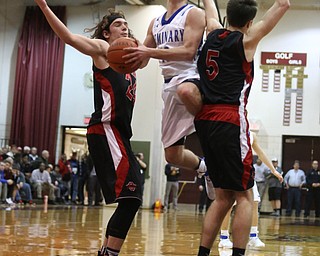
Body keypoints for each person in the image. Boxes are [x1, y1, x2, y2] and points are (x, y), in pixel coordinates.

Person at [34, 1, 143, 255]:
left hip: (119, 133)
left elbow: (149, 45)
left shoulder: (130, 57)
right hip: (105, 128)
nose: (124, 27)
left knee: (130, 197)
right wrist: (43, 5)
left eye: (127, 24)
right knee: (132, 197)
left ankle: (106, 250)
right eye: (118, 24)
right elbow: (69, 37)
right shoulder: (104, 49)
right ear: (106, 33)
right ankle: (108, 253)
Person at [194, 0, 290, 255]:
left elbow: (210, 12)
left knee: (223, 196)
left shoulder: (212, 32)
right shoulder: (246, 42)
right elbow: (283, 4)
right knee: (245, 197)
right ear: (249, 23)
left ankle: (203, 252)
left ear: (228, 16)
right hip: (230, 119)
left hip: (204, 119)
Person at [123, 0, 213, 199]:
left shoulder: (194, 13)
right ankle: (204, 167)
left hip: (193, 77)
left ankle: (212, 127)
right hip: (168, 85)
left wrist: (149, 51)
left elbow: (189, 51)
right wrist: (125, 54)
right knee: (172, 155)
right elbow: (142, 61)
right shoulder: (155, 22)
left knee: (186, 92)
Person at [218, 132, 283, 249]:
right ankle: (224, 237)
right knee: (229, 205)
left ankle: (253, 237)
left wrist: (273, 170)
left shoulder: (251, 135)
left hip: (247, 173)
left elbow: (261, 153)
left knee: (254, 203)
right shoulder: (230, 130)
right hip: (231, 172)